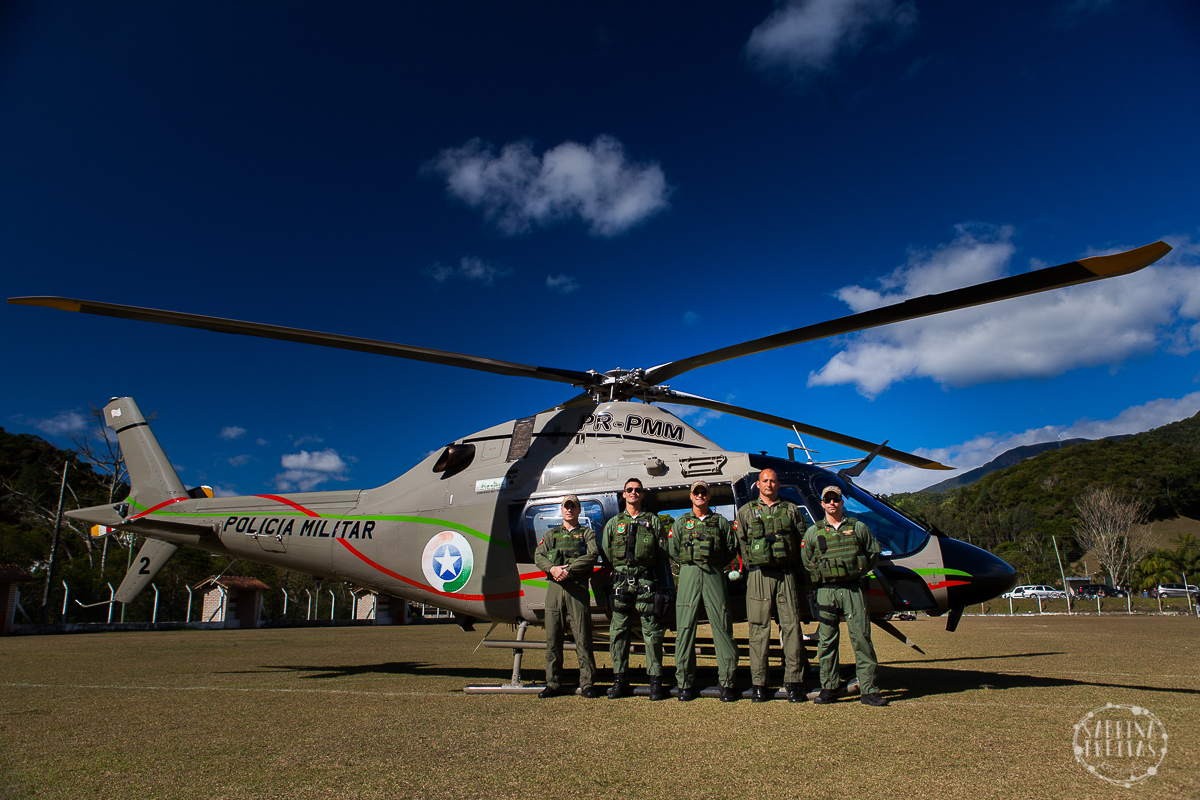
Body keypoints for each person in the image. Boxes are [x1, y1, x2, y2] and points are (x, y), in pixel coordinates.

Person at [801, 485, 888, 707]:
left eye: (836, 500)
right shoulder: (814, 531)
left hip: (852, 589)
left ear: (842, 503)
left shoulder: (858, 528)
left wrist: (857, 571)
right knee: (827, 640)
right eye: (828, 500)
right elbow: (806, 558)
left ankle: (869, 689)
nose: (832, 503)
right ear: (822, 504)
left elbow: (872, 553)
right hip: (826, 591)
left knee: (861, 638)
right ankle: (828, 687)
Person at [734, 468, 807, 703]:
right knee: (758, 629)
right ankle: (759, 683)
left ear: (778, 484)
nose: (769, 484)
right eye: (765, 481)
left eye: (773, 481)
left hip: (786, 574)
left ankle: (794, 682)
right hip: (758, 575)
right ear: (758, 484)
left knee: (792, 627)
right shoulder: (746, 512)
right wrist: (756, 564)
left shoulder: (791, 510)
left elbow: (801, 540)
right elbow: (742, 543)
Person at [601, 477, 670, 700]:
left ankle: (656, 681)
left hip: (646, 581)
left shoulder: (653, 521)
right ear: (624, 494)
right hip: (620, 581)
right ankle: (620, 680)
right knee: (618, 630)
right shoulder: (614, 523)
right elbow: (607, 551)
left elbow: (661, 552)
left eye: (637, 490)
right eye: (629, 490)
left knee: (651, 631)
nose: (633, 493)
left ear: (642, 494)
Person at [670, 480, 739, 702]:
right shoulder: (681, 522)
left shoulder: (720, 522)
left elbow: (730, 548)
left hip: (713, 574)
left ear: (709, 496)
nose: (700, 496)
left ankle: (727, 682)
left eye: (704, 492)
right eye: (696, 493)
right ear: (691, 497)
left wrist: (715, 564)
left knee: (721, 625)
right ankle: (684, 683)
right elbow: (673, 549)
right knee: (685, 628)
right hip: (689, 574)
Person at [533, 495, 600, 699]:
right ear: (561, 510)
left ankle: (587, 682)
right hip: (554, 590)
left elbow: (592, 555)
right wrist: (552, 568)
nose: (569, 510)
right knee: (553, 637)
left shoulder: (587, 534)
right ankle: (553, 683)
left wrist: (568, 571)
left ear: (579, 510)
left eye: (573, 507)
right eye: (566, 507)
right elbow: (538, 556)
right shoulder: (551, 534)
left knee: (583, 637)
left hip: (577, 589)